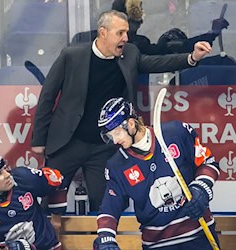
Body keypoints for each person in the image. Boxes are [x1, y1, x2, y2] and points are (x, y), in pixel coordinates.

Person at [31, 9, 212, 233]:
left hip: (104, 146)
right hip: (69, 141)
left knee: (105, 205)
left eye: (126, 32)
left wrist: (191, 58)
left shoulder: (130, 54)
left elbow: (157, 62)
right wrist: (39, 139)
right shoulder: (71, 55)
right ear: (103, 33)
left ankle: (101, 243)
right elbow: (47, 96)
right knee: (50, 206)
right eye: (121, 33)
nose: (126, 38)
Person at [93, 97, 220, 249]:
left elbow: (208, 162)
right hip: (157, 244)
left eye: (117, 133)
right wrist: (106, 237)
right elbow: (110, 207)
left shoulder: (175, 133)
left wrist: (201, 189)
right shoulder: (117, 165)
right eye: (110, 136)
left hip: (199, 234)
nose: (114, 141)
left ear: (131, 124)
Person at [0, 151, 63, 250]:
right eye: (0, 173)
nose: (7, 174)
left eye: (4, 169)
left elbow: (58, 181)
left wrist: (56, 215)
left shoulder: (23, 177)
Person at [72, 0, 229, 56]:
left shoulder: (80, 39)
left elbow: (171, 51)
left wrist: (210, 35)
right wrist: (211, 34)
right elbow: (170, 51)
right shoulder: (137, 46)